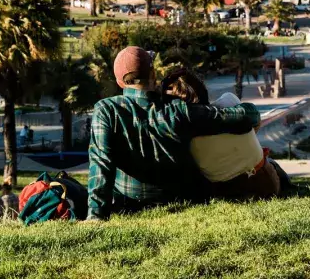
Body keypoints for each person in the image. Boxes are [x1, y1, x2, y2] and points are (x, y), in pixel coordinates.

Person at [86, 46, 262, 221]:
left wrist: (96, 216)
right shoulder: (177, 110)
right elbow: (246, 116)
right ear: (153, 74)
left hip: (129, 202)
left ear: (120, 83)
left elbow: (101, 164)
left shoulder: (106, 110)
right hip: (180, 200)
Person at [160, 67, 289, 201]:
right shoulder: (229, 101)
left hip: (224, 192)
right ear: (202, 89)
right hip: (265, 185)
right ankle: (289, 185)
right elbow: (255, 124)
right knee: (270, 162)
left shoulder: (179, 134)